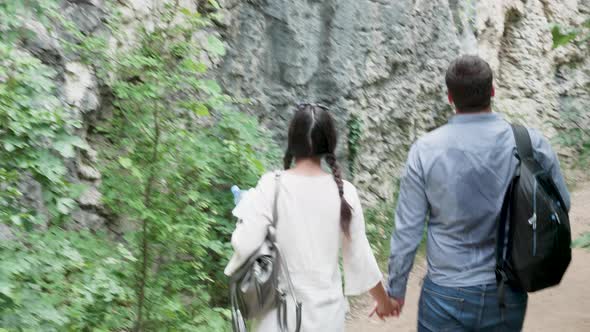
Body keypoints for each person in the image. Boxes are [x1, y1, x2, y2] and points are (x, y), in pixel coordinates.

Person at [387, 55, 570, 331]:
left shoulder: (424, 150)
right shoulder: (530, 143)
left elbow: (407, 231)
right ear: (492, 91)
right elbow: (561, 205)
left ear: (450, 97)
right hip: (506, 291)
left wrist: (396, 289)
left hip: (444, 294)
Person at [225, 103, 399, 331]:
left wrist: (244, 213)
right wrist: (384, 302)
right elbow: (360, 257)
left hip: (277, 318)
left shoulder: (271, 186)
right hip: (327, 317)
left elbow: (245, 245)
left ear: (292, 141)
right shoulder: (345, 192)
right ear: (330, 143)